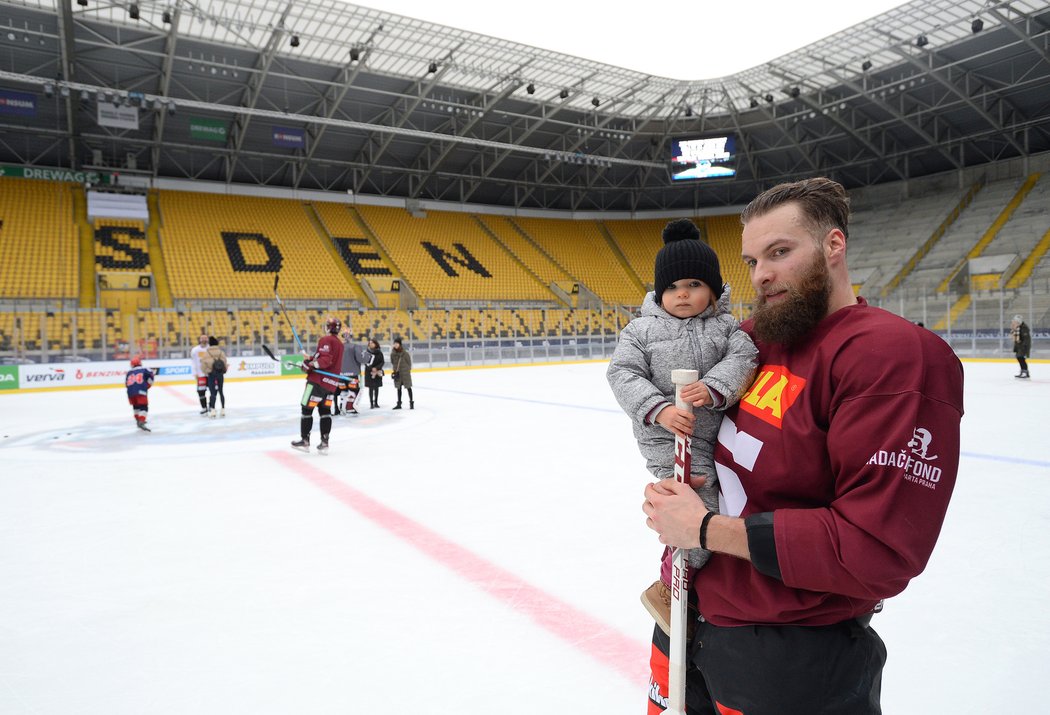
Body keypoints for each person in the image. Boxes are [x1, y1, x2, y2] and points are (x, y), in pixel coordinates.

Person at [642, 178, 964, 714]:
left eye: (780, 252)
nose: (761, 273)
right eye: (750, 261)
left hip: (788, 658)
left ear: (834, 245)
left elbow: (877, 549)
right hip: (682, 619)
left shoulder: (890, 355)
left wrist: (702, 529)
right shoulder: (748, 341)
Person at [607, 219, 756, 637]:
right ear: (659, 293)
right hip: (663, 437)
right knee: (695, 501)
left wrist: (713, 388)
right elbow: (623, 374)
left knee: (725, 504)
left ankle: (689, 577)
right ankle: (673, 587)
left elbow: (745, 359)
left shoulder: (728, 328)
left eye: (693, 284)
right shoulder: (640, 330)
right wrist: (658, 409)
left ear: (713, 289)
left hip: (712, 433)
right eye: (672, 287)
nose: (683, 293)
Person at [291, 317, 345, 454]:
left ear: (328, 327)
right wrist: (309, 358)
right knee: (325, 411)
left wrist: (309, 365)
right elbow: (323, 358)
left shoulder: (326, 340)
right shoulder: (339, 343)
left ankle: (305, 440)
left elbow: (325, 360)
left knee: (306, 409)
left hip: (317, 382)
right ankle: (325, 442)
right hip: (331, 385)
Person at [334, 329, 364, 416]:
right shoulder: (355, 346)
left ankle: (342, 408)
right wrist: (367, 357)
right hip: (353, 375)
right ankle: (350, 408)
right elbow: (361, 359)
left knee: (343, 392)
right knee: (353, 391)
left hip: (341, 375)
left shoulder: (338, 347)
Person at [198, 336, 228, 418]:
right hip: (220, 374)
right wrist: (223, 371)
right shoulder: (221, 352)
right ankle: (223, 409)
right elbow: (225, 362)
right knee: (221, 392)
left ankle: (213, 410)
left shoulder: (207, 353)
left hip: (211, 374)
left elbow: (203, 365)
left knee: (213, 393)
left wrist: (207, 372)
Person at [125, 354, 155, 432]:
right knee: (144, 407)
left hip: (130, 392)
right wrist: (147, 386)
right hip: (141, 390)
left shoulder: (129, 372)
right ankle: (141, 421)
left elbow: (126, 383)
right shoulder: (145, 369)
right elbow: (151, 376)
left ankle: (138, 420)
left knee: (136, 407)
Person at [390, 337, 415, 409]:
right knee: (398, 388)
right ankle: (399, 404)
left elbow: (409, 362)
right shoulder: (392, 354)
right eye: (394, 343)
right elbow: (392, 362)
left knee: (408, 387)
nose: (395, 345)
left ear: (400, 344)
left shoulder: (405, 353)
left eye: (397, 343)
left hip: (405, 373)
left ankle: (411, 402)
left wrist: (407, 370)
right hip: (397, 373)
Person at [189, 334, 210, 415]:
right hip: (200, 375)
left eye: (205, 338)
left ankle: (211, 407)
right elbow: (193, 362)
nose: (204, 339)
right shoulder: (195, 350)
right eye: (202, 338)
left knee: (213, 391)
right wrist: (194, 373)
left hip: (210, 374)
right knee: (201, 391)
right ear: (200, 339)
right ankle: (204, 407)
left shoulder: (210, 349)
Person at [364, 338, 384, 409]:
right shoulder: (367, 352)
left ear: (376, 344)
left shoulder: (379, 352)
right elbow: (365, 363)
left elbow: (382, 362)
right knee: (371, 388)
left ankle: (376, 402)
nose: (371, 344)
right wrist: (372, 368)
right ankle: (371, 403)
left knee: (376, 387)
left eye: (372, 343)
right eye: (370, 343)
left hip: (377, 372)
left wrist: (376, 368)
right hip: (369, 372)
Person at [1011, 314, 1031, 378]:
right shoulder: (1017, 327)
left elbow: (1026, 339)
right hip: (1019, 346)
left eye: (1015, 321)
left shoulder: (1024, 327)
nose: (1014, 322)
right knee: (1019, 358)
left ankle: (1025, 372)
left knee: (1021, 358)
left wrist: (1024, 346)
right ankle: (1023, 371)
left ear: (1019, 322)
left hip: (1023, 346)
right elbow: (1013, 336)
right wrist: (1013, 329)